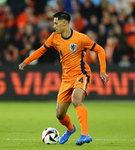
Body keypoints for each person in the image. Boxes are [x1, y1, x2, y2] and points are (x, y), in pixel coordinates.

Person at [18, 11, 109, 146]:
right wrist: (26, 61)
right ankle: (71, 129)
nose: (54, 26)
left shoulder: (80, 38)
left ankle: (85, 134)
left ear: (64, 23)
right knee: (59, 114)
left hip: (81, 74)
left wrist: (102, 71)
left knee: (76, 99)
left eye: (56, 23)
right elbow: (41, 50)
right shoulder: (54, 37)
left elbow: (100, 50)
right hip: (66, 79)